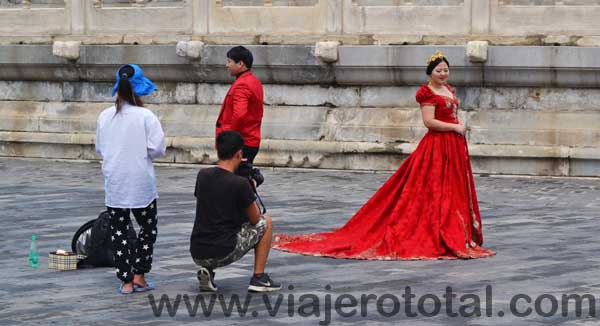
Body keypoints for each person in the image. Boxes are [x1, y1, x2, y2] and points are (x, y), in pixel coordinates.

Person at [273, 51, 495, 260]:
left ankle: (454, 228)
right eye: (439, 71)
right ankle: (434, 227)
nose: (443, 74)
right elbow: (429, 122)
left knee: (451, 187)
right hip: (438, 144)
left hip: (452, 147)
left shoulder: (449, 90)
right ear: (430, 73)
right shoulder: (427, 92)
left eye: (446, 70)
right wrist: (454, 128)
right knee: (432, 187)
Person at [95, 64, 166, 294]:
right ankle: (139, 275)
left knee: (119, 232)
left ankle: (125, 281)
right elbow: (157, 148)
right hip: (140, 183)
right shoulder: (146, 116)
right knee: (148, 228)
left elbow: (100, 148)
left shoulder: (105, 116)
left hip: (115, 182)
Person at [190, 131, 281, 292]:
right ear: (239, 154)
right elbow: (255, 218)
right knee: (266, 221)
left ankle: (207, 271)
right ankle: (259, 278)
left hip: (198, 250)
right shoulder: (239, 184)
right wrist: (250, 191)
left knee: (214, 224)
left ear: (217, 151)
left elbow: (211, 205)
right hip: (223, 251)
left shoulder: (202, 175)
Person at [215, 46, 264, 166]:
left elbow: (239, 115)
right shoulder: (254, 81)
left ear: (240, 63)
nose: (227, 65)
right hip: (249, 140)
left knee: (233, 182)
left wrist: (232, 143)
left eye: (229, 61)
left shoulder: (242, 84)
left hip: (241, 143)